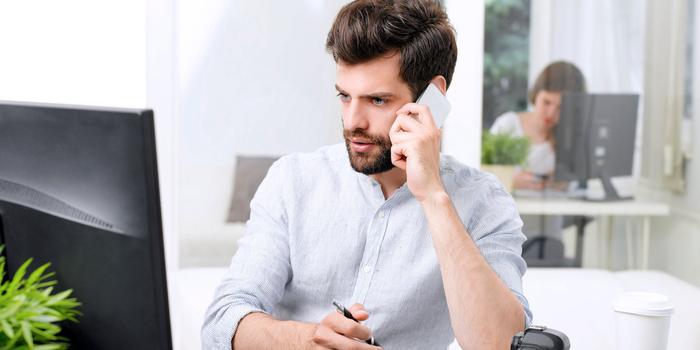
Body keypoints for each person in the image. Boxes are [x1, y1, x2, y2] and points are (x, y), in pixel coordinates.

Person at [202, 1, 531, 349]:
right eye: (345, 96)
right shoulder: (293, 181)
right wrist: (307, 341)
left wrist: (433, 197)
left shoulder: (483, 202)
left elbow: (502, 343)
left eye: (377, 100)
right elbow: (222, 323)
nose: (353, 122)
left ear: (431, 98)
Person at [490, 61, 587, 190]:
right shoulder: (508, 125)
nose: (551, 113)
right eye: (546, 102)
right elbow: (483, 173)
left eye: (561, 108)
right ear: (536, 94)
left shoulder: (571, 136)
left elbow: (579, 182)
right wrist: (511, 181)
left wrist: (563, 183)